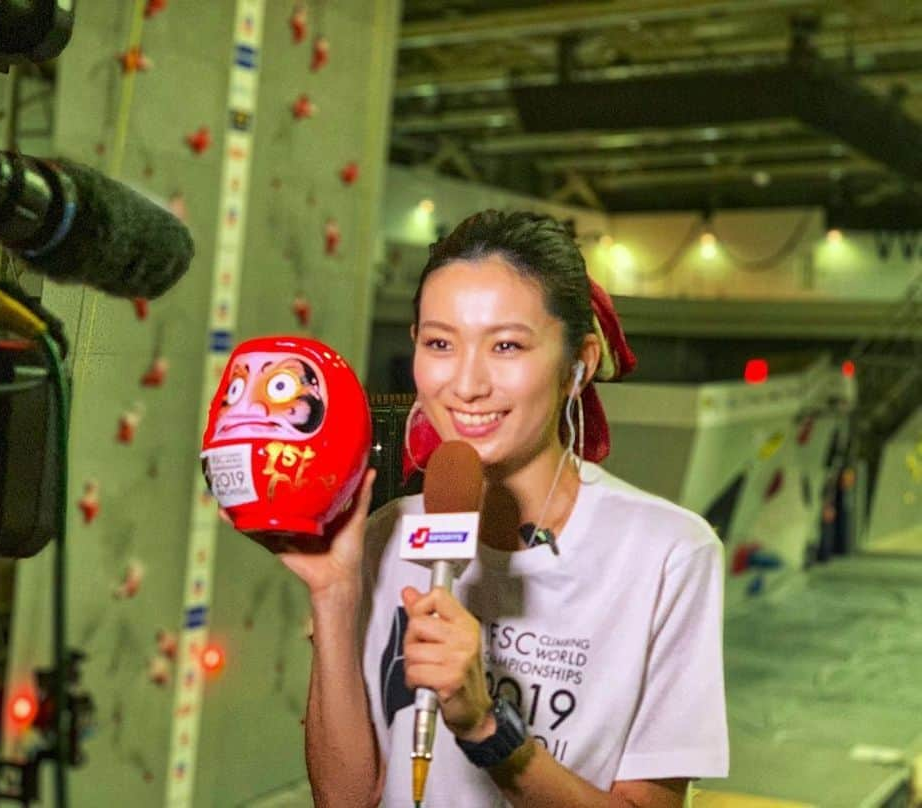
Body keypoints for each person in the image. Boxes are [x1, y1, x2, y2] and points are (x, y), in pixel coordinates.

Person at [243, 210, 729, 807]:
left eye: (506, 345)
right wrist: (334, 595)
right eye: (440, 343)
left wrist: (485, 728)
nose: (466, 384)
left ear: (578, 364)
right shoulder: (387, 533)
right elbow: (345, 800)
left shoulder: (668, 553)